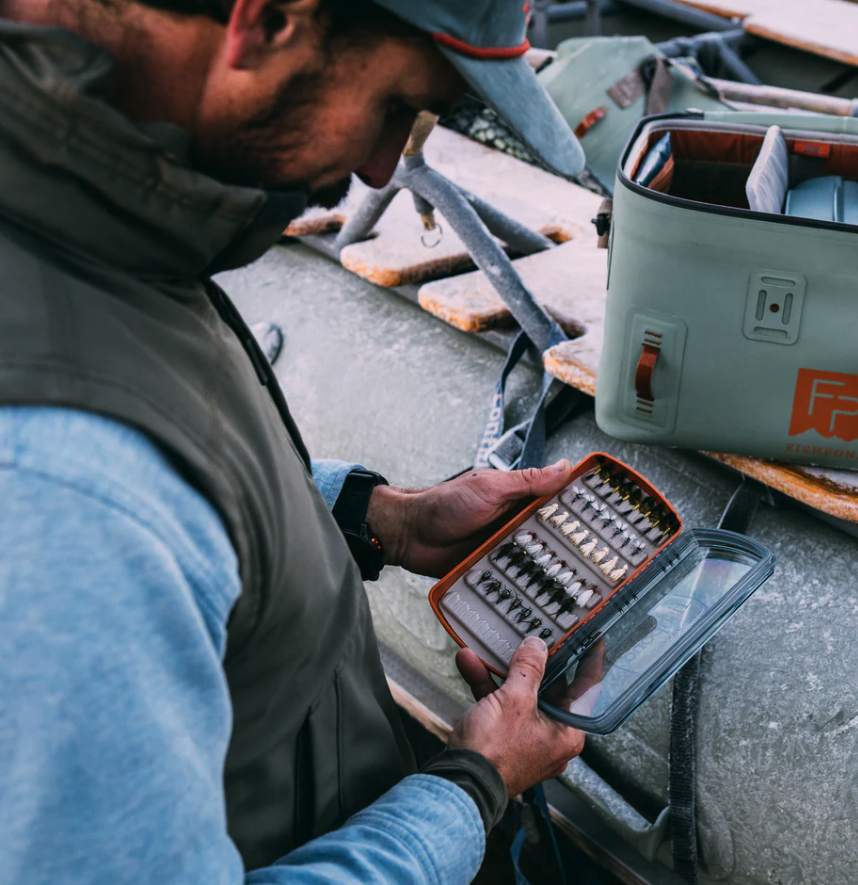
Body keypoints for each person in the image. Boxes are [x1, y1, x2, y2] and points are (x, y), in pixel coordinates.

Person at [0, 0, 589, 881]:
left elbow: (163, 495)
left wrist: (375, 515)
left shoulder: (82, 213)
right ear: (269, 19)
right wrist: (471, 786)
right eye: (396, 105)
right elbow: (106, 498)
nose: (386, 162)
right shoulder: (68, 496)